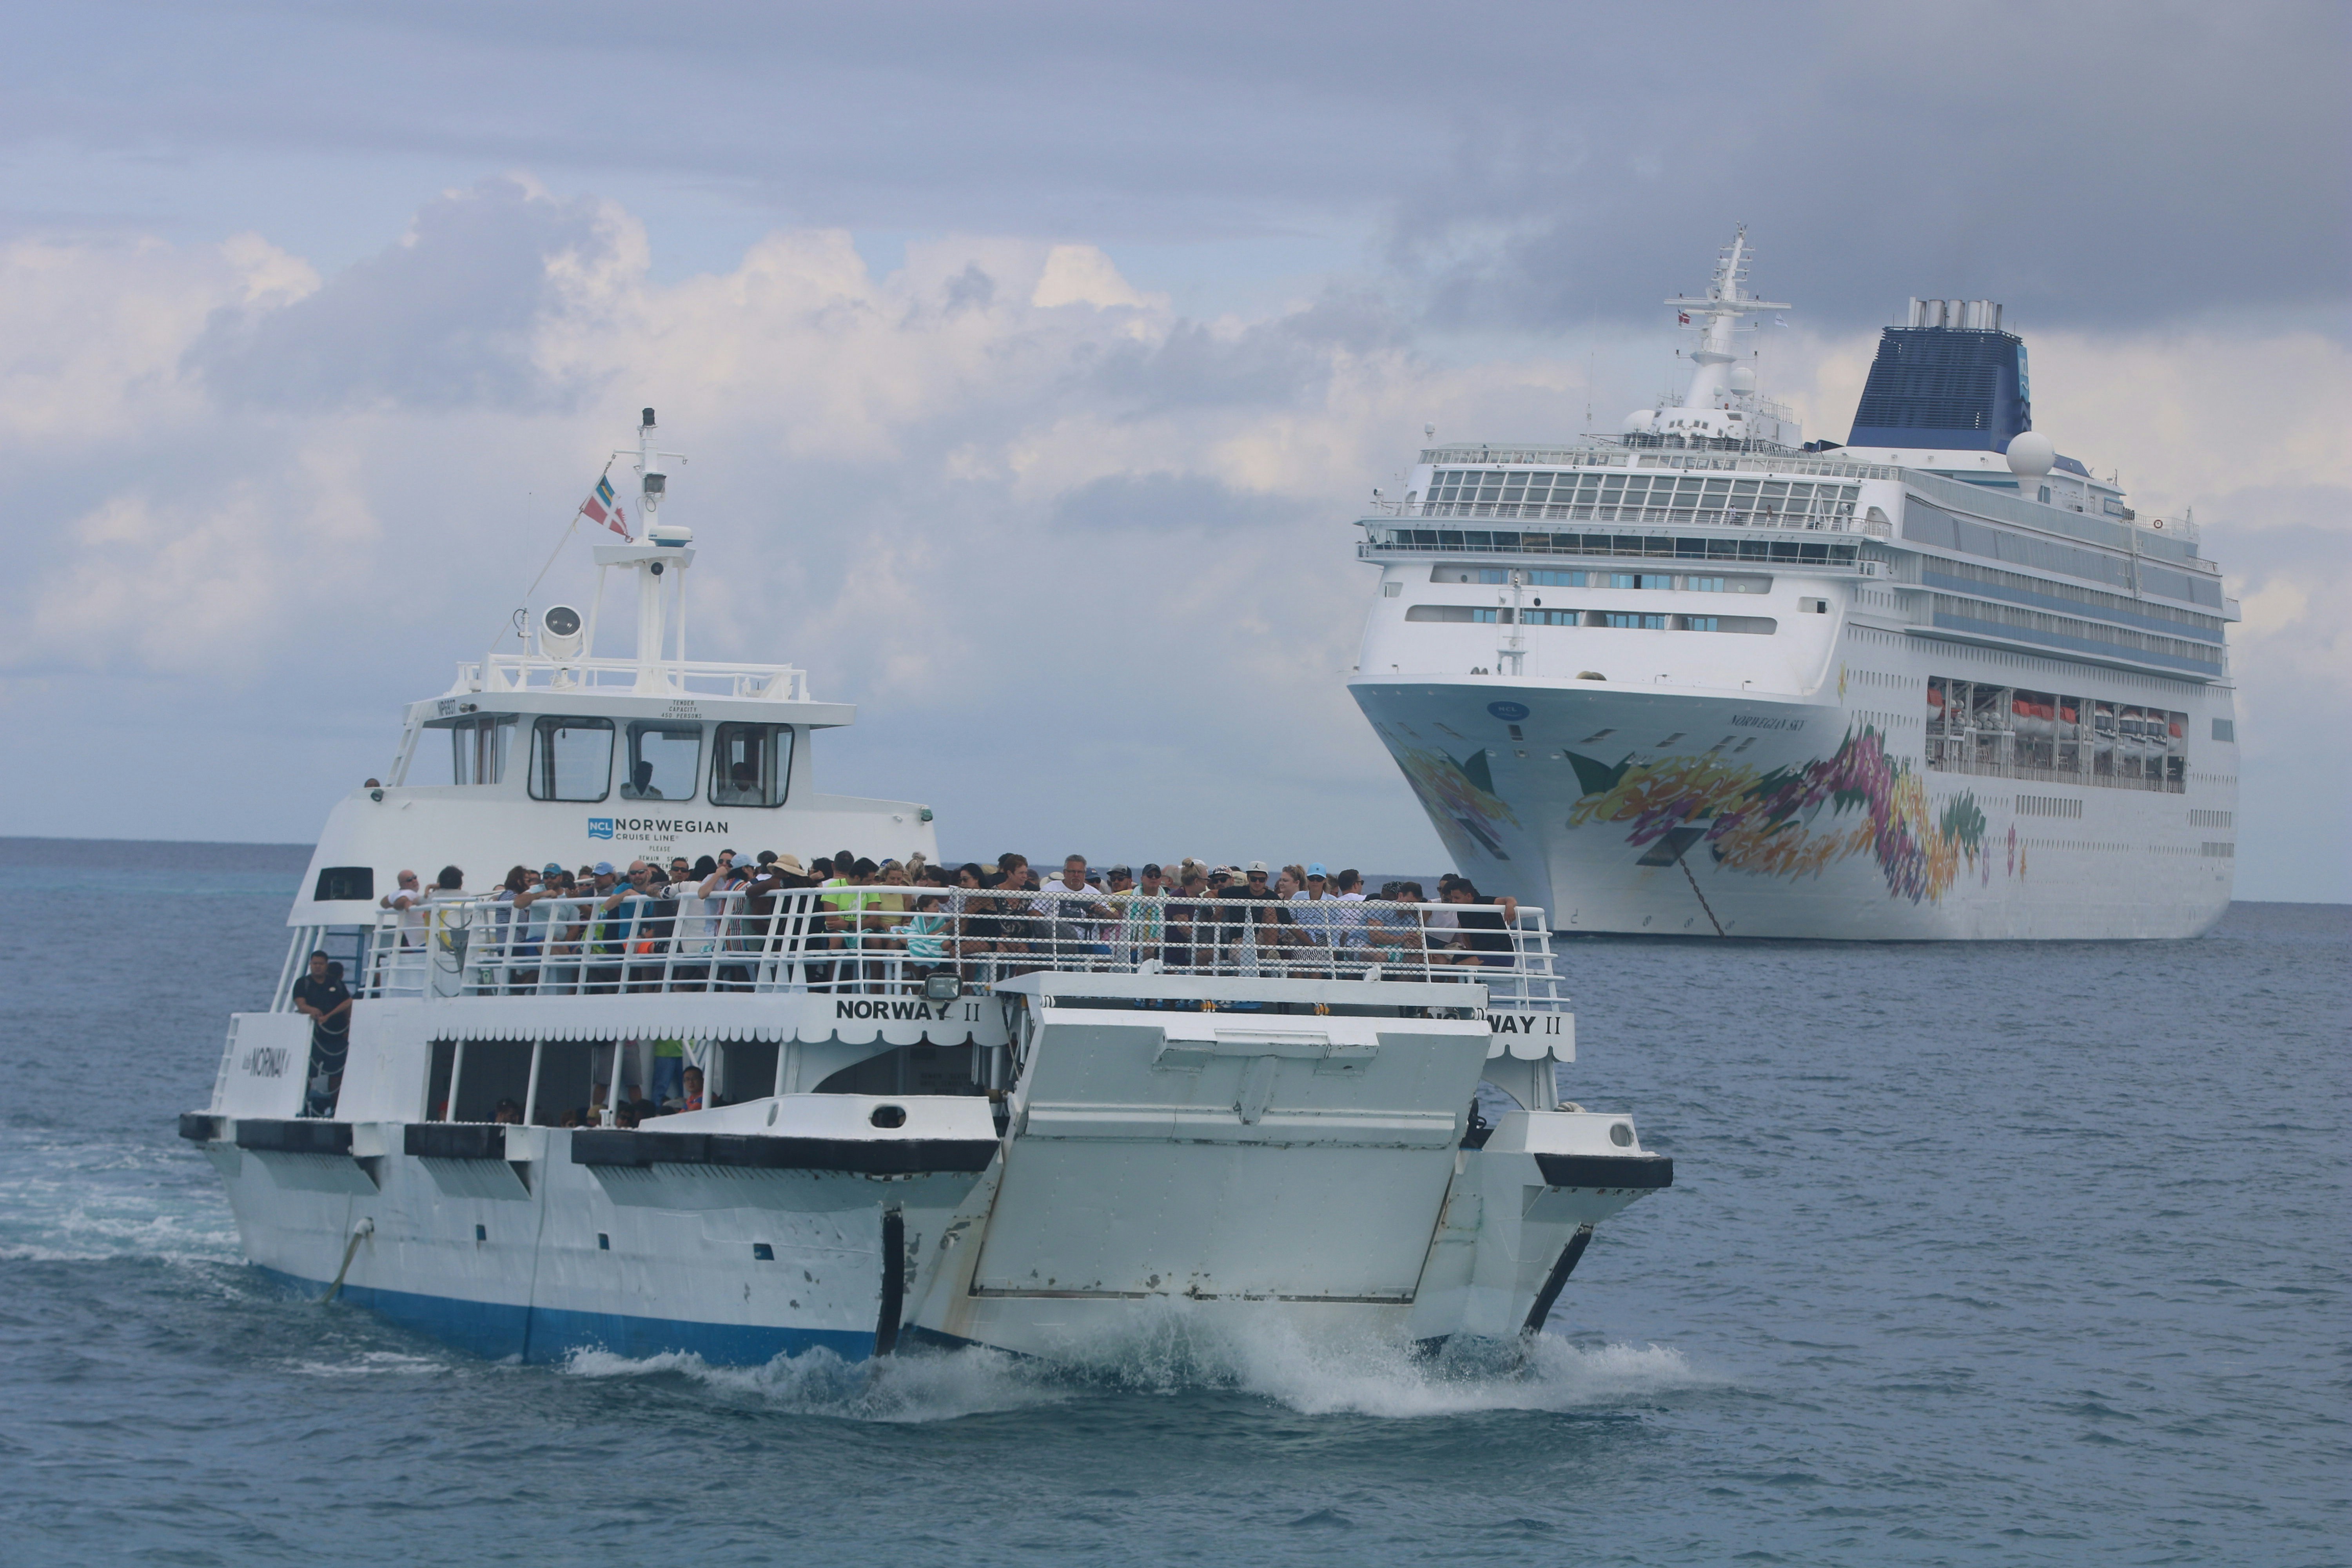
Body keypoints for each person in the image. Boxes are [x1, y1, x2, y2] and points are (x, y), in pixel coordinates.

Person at [291, 951, 352, 1116]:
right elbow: (301, 1005)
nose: (317, 967)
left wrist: (348, 1027)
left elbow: (347, 1003)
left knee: (336, 1076)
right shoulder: (303, 984)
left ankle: (336, 1111)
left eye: (321, 964)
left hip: (336, 1037)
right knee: (308, 1074)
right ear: (310, 965)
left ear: (326, 966)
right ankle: (303, 1108)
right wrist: (312, 1011)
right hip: (314, 1038)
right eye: (314, 964)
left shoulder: (337, 984)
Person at [380, 869, 427, 946]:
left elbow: (383, 903)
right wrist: (407, 902)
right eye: (410, 880)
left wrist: (412, 902)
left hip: (417, 944)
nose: (414, 881)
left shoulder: (399, 893)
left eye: (415, 877)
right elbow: (399, 903)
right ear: (402, 884)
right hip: (425, 943)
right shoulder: (410, 893)